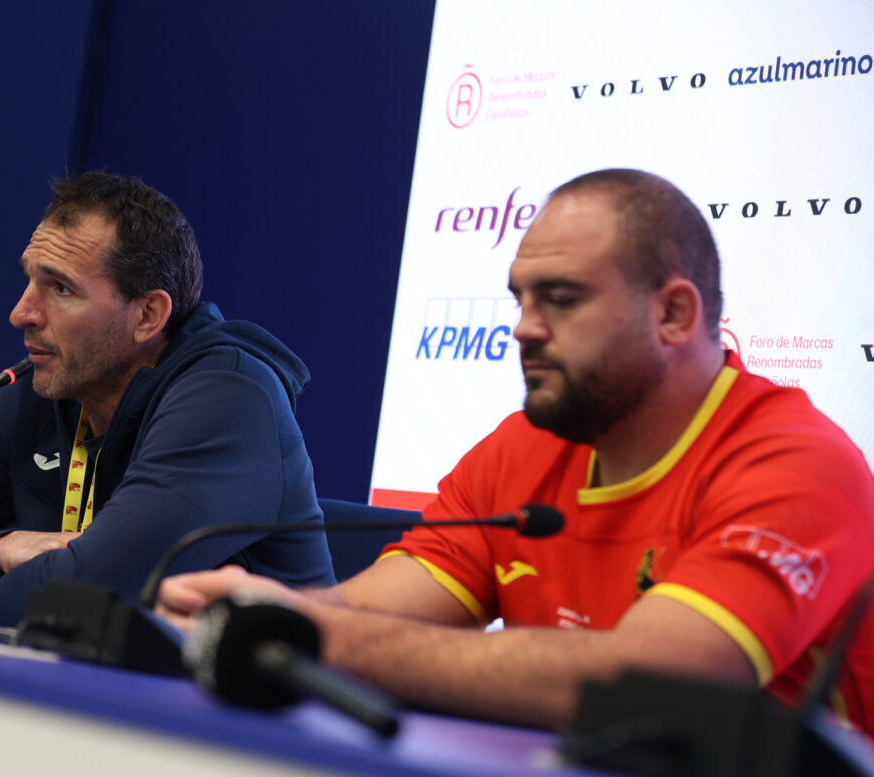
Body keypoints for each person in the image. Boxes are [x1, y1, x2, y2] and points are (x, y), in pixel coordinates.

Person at [157, 168, 874, 735]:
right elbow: (371, 616)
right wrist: (267, 610)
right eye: (520, 300)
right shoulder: (518, 451)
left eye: (561, 299)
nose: (524, 329)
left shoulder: (796, 463)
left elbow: (657, 681)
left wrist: (306, 632)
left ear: (674, 314)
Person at [0, 172, 335, 625]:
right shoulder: (48, 387)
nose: (21, 313)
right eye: (29, 278)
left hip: (242, 719)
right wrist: (0, 549)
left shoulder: (229, 400)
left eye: (61, 289)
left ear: (147, 316)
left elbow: (85, 601)